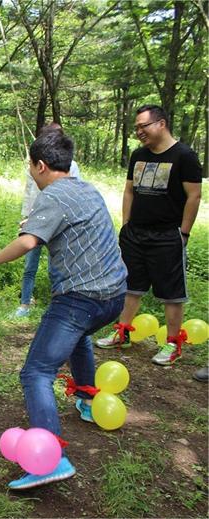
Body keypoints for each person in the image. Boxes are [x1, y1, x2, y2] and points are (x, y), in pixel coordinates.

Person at [0, 130, 127, 490]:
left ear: (40, 165)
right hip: (114, 296)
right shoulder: (87, 189)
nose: (31, 172)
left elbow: (28, 242)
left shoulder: (52, 195)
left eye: (30, 166)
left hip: (80, 298)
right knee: (79, 337)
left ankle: (50, 461)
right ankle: (88, 399)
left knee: (36, 372)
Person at [95, 105, 203, 366]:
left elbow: (194, 196)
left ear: (161, 124)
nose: (139, 131)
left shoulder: (184, 156)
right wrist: (126, 224)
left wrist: (184, 232)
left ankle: (173, 344)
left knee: (171, 292)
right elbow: (129, 190)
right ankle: (122, 332)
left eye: (143, 126)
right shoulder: (139, 155)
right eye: (136, 127)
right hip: (135, 233)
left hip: (167, 234)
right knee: (130, 286)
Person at [13, 123, 81, 318]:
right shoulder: (35, 163)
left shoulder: (70, 166)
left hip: (58, 223)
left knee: (56, 267)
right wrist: (27, 217)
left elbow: (73, 194)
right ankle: (25, 304)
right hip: (35, 218)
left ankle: (57, 305)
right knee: (30, 265)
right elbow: (29, 192)